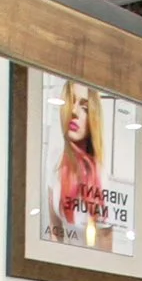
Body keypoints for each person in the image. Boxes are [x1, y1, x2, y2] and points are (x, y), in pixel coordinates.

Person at [48, 80, 108, 247]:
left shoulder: (102, 175)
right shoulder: (55, 163)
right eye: (71, 102)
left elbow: (106, 245)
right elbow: (55, 230)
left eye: (84, 107)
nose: (74, 111)